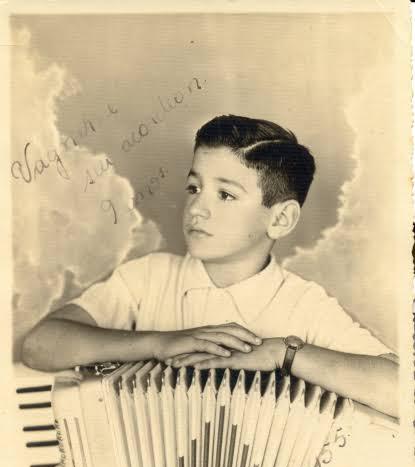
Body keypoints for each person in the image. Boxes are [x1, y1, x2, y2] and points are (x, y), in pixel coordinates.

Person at [22, 115, 399, 417]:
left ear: (281, 219)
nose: (197, 208)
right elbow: (39, 345)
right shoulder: (147, 277)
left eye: (225, 194)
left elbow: (401, 392)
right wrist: (160, 342)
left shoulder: (304, 305)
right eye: (194, 188)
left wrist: (284, 354)